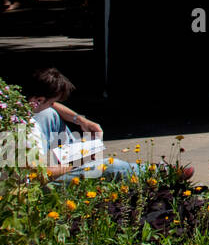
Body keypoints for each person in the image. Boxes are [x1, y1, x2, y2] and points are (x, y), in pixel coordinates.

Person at [3, 68, 159, 182]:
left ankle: (75, 155)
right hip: (35, 184)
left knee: (49, 114)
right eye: (51, 102)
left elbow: (47, 106)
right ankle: (160, 172)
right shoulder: (24, 134)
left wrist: (80, 120)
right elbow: (39, 174)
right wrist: (76, 165)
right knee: (111, 167)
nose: (53, 105)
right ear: (39, 101)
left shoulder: (13, 106)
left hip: (33, 166)